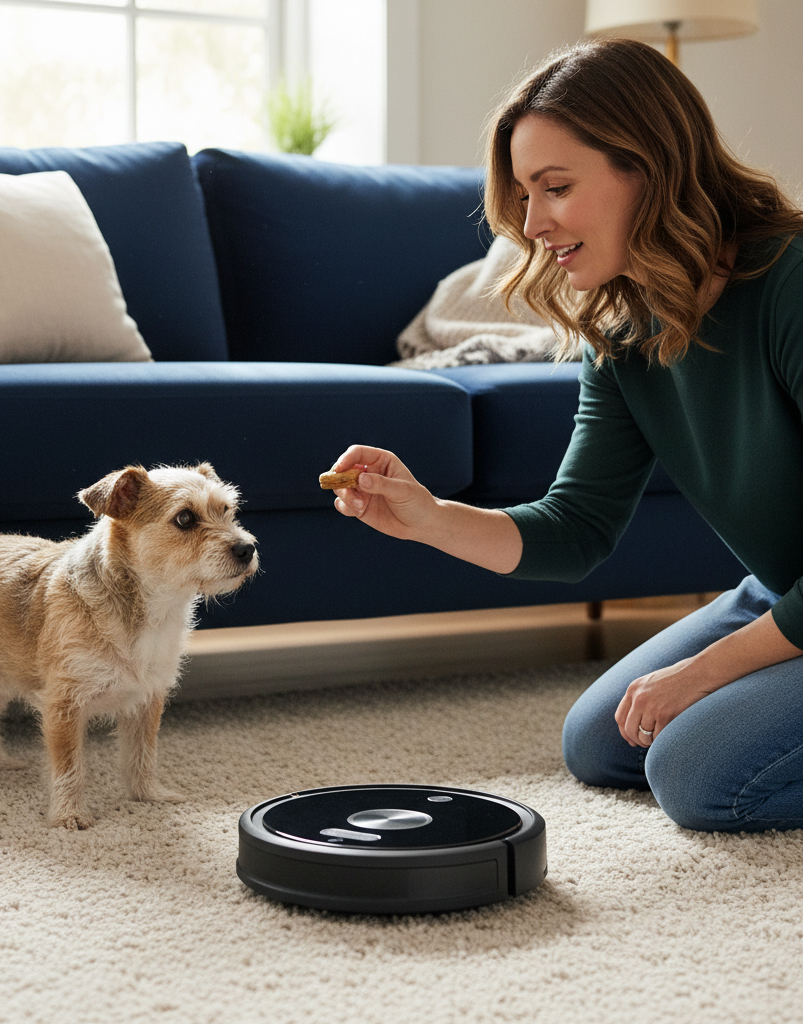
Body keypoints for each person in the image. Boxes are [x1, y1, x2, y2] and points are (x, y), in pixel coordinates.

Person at [329, 37, 803, 834]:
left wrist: (698, 675)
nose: (530, 222)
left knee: (697, 776)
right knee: (601, 742)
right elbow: (577, 527)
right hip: (783, 589)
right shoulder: (624, 329)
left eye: (555, 187)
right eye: (522, 194)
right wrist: (428, 514)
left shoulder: (789, 281)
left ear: (647, 170)